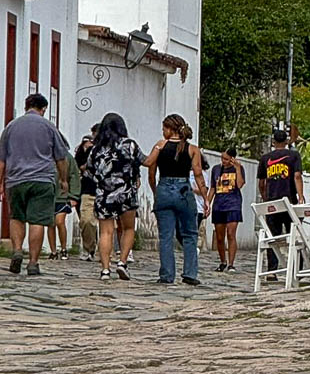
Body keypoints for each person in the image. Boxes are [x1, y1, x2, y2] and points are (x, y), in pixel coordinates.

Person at [0, 92, 69, 277]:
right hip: (42, 179)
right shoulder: (49, 127)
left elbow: (1, 158)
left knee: (17, 217)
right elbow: (61, 157)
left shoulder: (11, 127)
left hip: (16, 179)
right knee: (38, 221)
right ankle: (33, 262)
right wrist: (63, 179)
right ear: (43, 109)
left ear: (26, 105)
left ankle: (17, 250)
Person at [146, 114, 208, 286]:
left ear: (169, 129)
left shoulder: (160, 145)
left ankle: (167, 274)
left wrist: (156, 191)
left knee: (166, 236)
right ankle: (190, 273)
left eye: (164, 128)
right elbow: (198, 174)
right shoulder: (192, 149)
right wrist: (205, 198)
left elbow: (151, 174)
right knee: (190, 234)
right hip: (184, 190)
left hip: (164, 188)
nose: (162, 131)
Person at [86, 112, 145, 281]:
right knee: (128, 229)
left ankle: (105, 270)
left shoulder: (95, 149)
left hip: (104, 194)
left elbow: (89, 172)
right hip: (126, 193)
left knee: (106, 232)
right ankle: (122, 262)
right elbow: (145, 161)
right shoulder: (130, 145)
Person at [257, 127, 304, 276]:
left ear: (273, 142)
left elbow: (261, 182)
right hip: (289, 201)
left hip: (272, 202)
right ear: (286, 141)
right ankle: (297, 269)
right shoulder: (294, 156)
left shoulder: (265, 159)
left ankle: (272, 271)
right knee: (295, 236)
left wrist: (265, 197)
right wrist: (301, 196)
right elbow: (297, 176)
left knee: (273, 237)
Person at [209, 148, 246, 272]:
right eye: (222, 158)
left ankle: (231, 263)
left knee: (231, 234)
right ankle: (222, 261)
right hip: (219, 204)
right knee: (220, 236)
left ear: (232, 158)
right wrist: (207, 203)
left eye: (226, 158)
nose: (223, 161)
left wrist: (237, 168)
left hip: (233, 204)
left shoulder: (239, 169)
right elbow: (213, 188)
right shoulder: (216, 169)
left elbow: (240, 184)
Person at [74, 126, 99, 260]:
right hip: (88, 189)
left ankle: (107, 251)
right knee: (86, 220)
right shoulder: (89, 151)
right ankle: (89, 248)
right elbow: (79, 165)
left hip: (106, 191)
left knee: (109, 224)